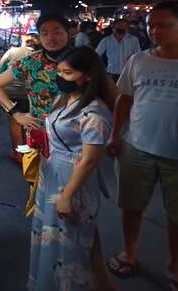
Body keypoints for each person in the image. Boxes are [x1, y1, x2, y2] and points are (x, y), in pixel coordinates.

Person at [106, 1, 178, 289]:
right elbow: (124, 100)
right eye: (151, 25)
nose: (155, 31)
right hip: (137, 147)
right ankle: (130, 254)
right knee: (131, 207)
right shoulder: (139, 61)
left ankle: (176, 269)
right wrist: (115, 136)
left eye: (163, 25)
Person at [28, 46, 113, 290]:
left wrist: (67, 196)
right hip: (52, 173)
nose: (60, 78)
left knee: (69, 243)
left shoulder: (95, 113)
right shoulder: (65, 98)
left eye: (67, 73)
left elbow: (89, 160)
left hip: (73, 180)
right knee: (48, 235)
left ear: (87, 76)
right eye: (59, 72)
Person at [0, 38, 34, 163]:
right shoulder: (36, 54)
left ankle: (18, 154)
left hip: (10, 91)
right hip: (28, 93)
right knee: (28, 120)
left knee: (14, 123)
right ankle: (29, 152)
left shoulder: (12, 51)